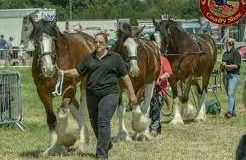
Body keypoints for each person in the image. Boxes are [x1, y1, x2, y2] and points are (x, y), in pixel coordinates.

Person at [60, 32, 137, 159]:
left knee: (103, 121)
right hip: (92, 95)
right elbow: (78, 71)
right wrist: (63, 72)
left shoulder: (115, 57)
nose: (98, 44)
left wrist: (132, 94)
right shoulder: (89, 58)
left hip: (110, 94)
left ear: (106, 43)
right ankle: (106, 143)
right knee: (94, 123)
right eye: (96, 42)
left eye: (101, 42)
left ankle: (102, 154)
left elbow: (125, 77)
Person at [149, 54, 172, 136]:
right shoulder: (148, 60)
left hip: (159, 90)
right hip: (149, 89)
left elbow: (168, 73)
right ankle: (157, 127)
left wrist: (160, 78)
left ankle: (153, 129)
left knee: (156, 108)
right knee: (151, 110)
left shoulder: (163, 60)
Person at [220, 38, 241, 119]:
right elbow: (223, 64)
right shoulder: (225, 54)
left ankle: (229, 113)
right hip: (226, 76)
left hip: (234, 76)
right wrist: (222, 65)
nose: (225, 44)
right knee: (230, 95)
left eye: (226, 43)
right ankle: (234, 112)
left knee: (230, 94)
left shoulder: (236, 53)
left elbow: (236, 66)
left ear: (230, 44)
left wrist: (226, 66)